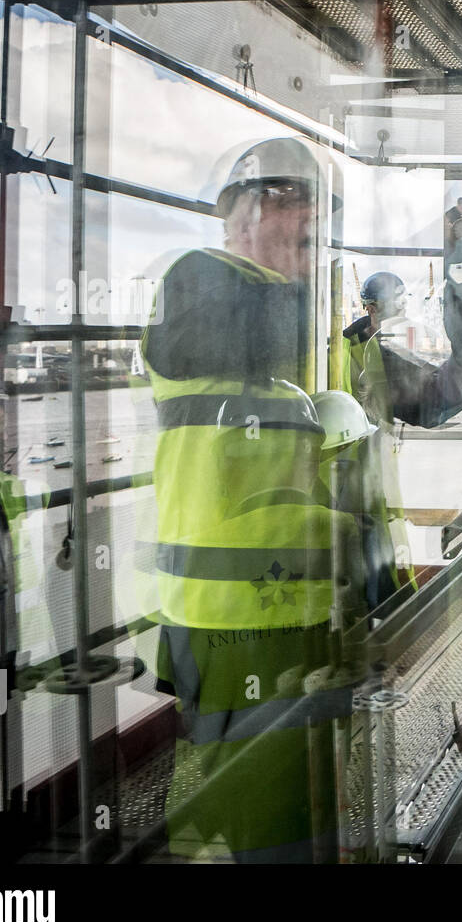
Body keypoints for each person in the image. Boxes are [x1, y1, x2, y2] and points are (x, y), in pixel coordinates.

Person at [142, 136, 367, 862]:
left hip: (282, 621)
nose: (311, 227)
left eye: (320, 213)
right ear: (240, 211)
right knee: (273, 829)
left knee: (289, 821)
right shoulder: (198, 285)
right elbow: (266, 316)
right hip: (227, 627)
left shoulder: (280, 383)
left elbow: (426, 397)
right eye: (291, 201)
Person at [334, 269, 462, 603]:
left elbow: (428, 399)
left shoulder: (400, 343)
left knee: (386, 531)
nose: (401, 315)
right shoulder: (348, 347)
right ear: (372, 309)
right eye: (394, 307)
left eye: (403, 306)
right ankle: (379, 604)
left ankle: (388, 603)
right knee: (370, 533)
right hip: (354, 454)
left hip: (386, 452)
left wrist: (460, 356)